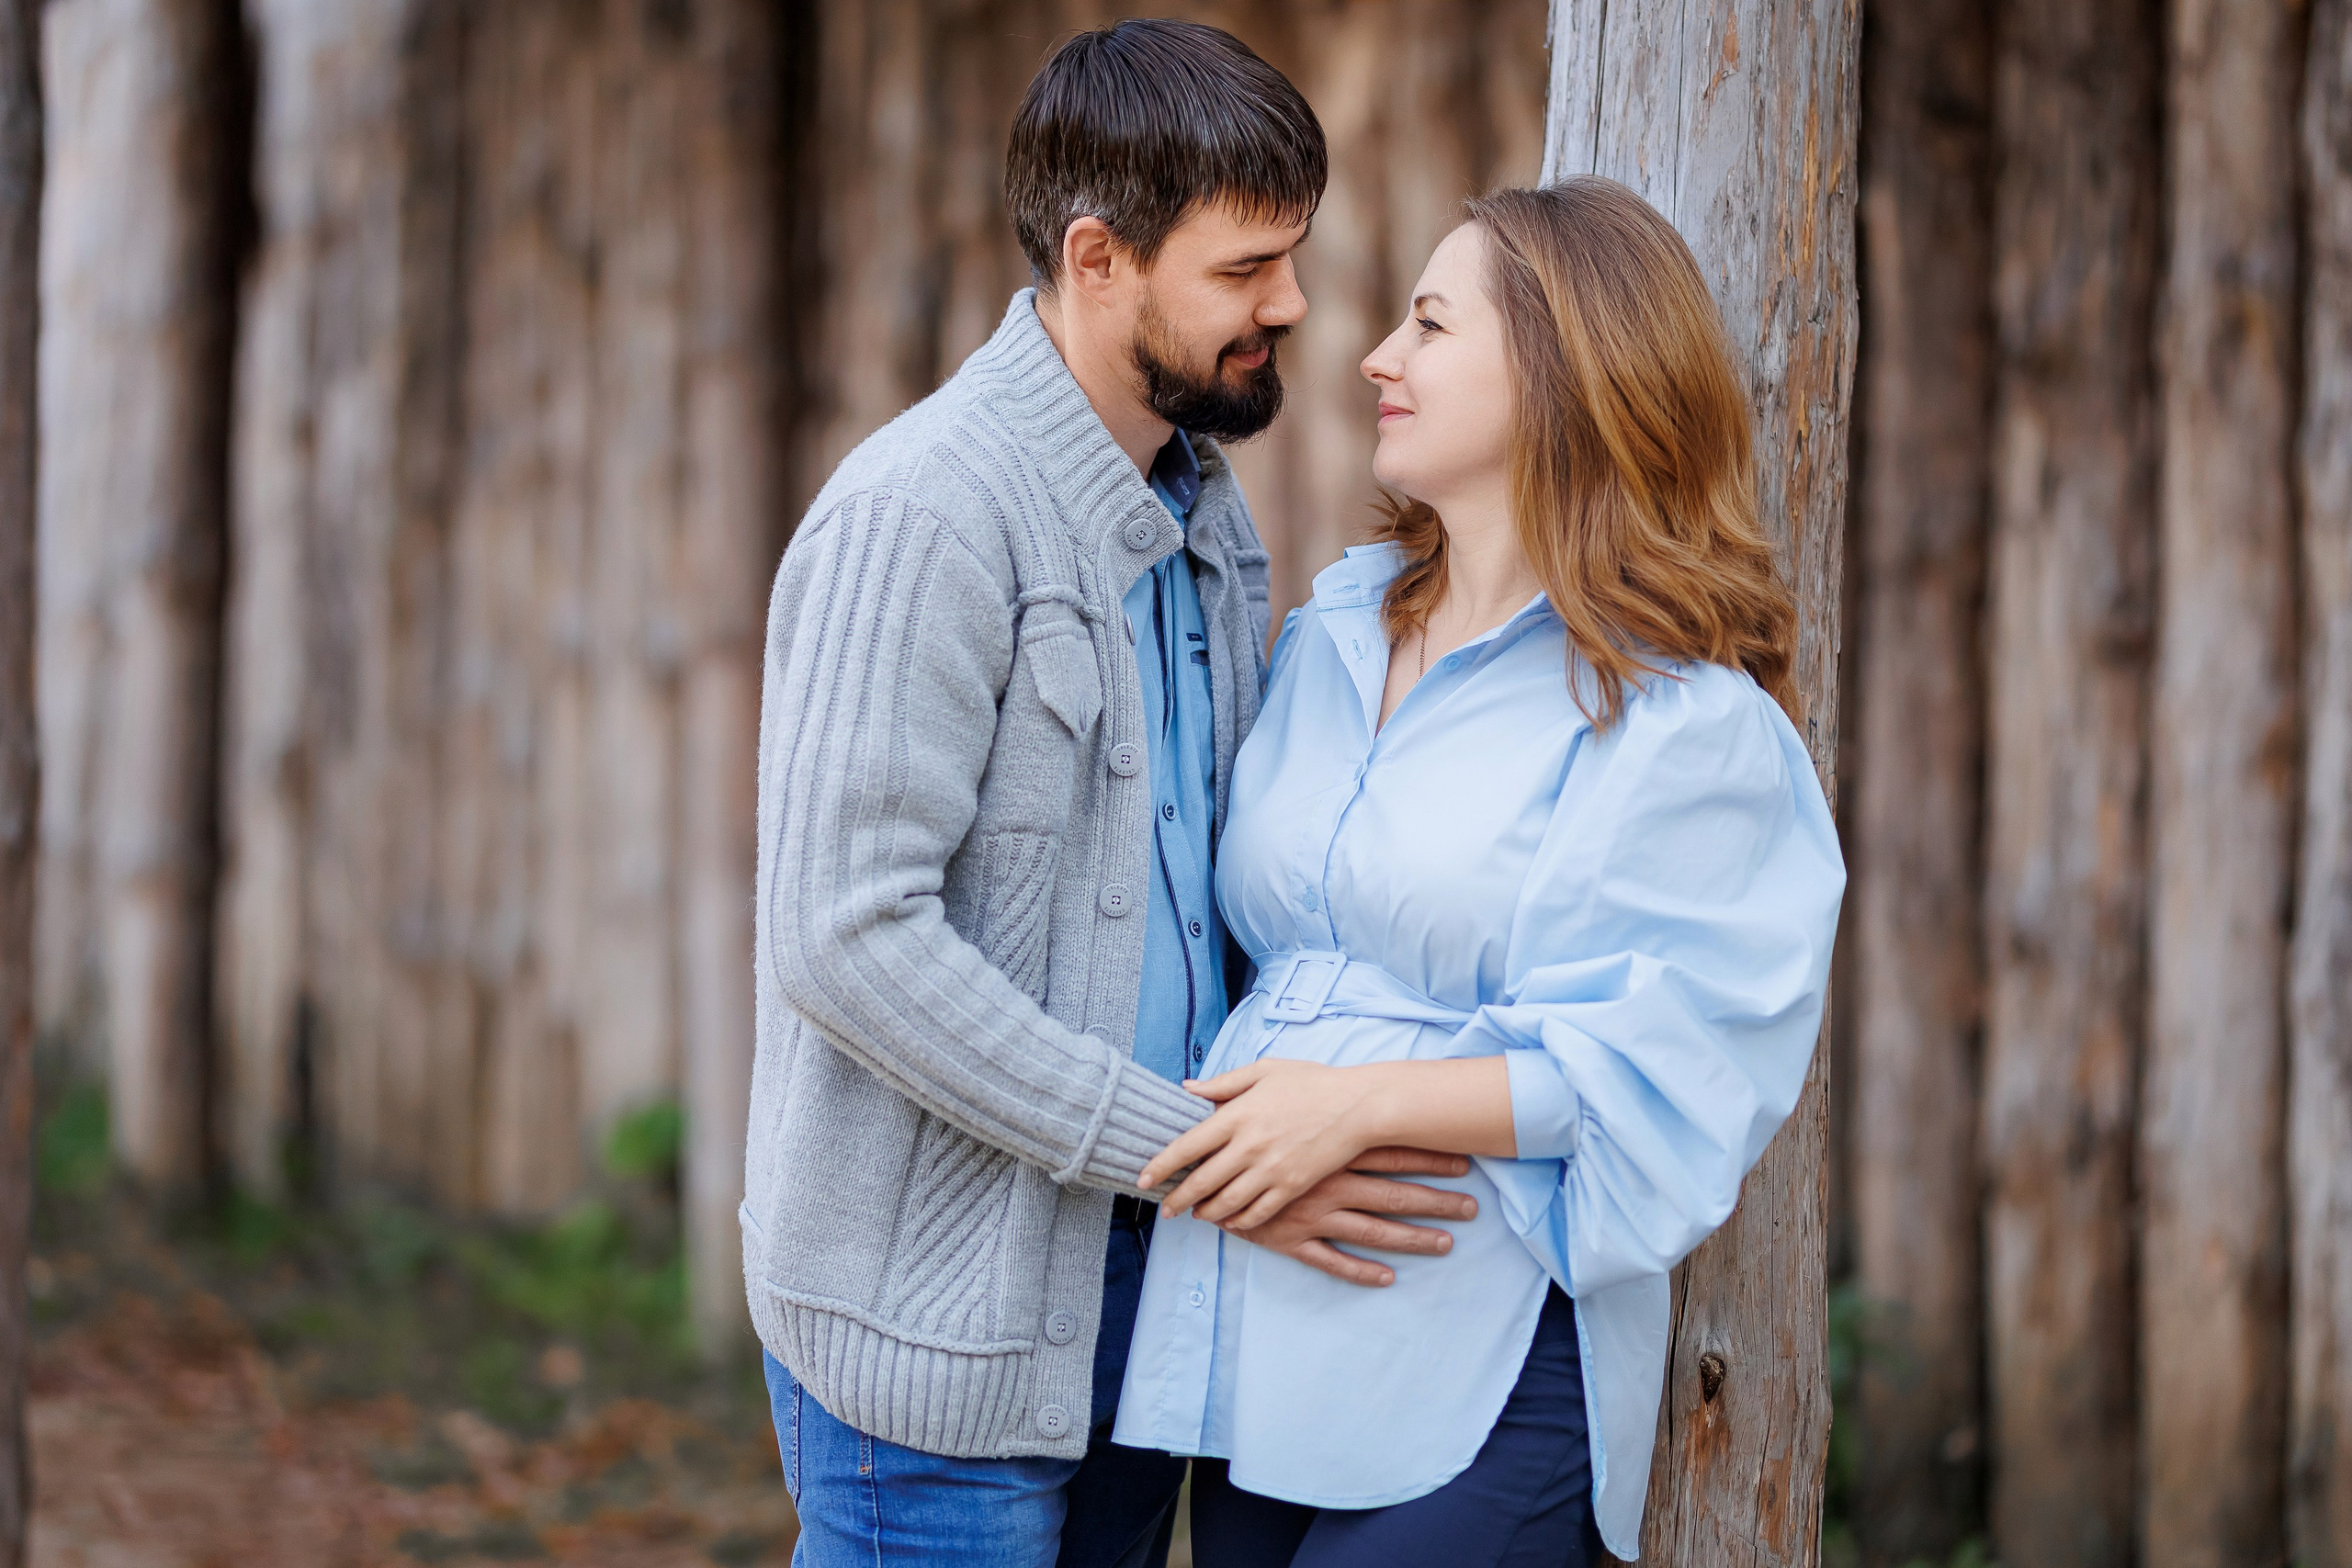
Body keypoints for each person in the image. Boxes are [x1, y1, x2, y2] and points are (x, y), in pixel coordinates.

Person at [744, 20, 1477, 1568]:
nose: (1291, 305)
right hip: (939, 1347)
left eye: (1293, 257)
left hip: (1151, 1306)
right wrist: (1182, 1149)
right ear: (1097, 260)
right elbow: (843, 936)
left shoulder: (1204, 518)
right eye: (1244, 269)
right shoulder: (925, 518)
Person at [1109, 179, 1847, 1566]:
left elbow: (1669, 1061)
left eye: (1432, 325)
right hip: (1261, 1334)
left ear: (1566, 372)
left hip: (1484, 1344)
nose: (1378, 356)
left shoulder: (1678, 721)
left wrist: (1359, 1106)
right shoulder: (1330, 634)